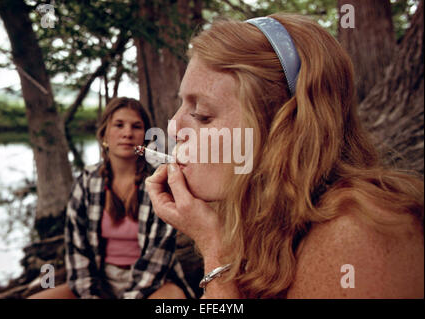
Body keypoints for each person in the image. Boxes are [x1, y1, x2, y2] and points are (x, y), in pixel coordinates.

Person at [146, 13, 424, 299]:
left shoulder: (358, 235)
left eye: (202, 115)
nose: (173, 127)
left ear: (282, 128)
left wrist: (214, 250)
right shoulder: (262, 219)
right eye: (182, 105)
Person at [29, 97, 194, 299]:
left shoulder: (159, 182)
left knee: (173, 299)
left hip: (152, 283)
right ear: (105, 132)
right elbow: (76, 248)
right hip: (100, 281)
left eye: (136, 126)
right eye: (118, 125)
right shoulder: (86, 181)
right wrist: (90, 295)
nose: (127, 133)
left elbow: (157, 257)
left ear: (145, 137)